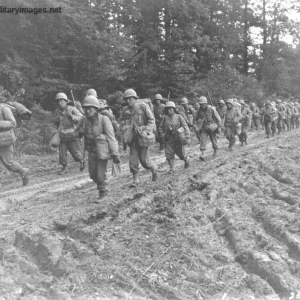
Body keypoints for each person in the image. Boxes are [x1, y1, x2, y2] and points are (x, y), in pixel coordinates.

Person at [75, 96, 120, 199]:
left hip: (103, 152)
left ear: (96, 108)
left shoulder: (104, 119)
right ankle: (102, 185)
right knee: (92, 175)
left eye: (90, 108)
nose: (87, 110)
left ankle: (103, 192)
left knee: (100, 174)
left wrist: (115, 153)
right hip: (91, 151)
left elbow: (111, 137)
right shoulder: (83, 120)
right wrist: (80, 132)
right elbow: (76, 133)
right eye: (85, 108)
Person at [119, 89, 158, 187]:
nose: (128, 101)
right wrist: (125, 127)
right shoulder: (125, 110)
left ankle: (154, 168)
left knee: (145, 161)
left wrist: (145, 130)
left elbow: (151, 120)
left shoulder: (142, 106)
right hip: (132, 139)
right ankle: (136, 180)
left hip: (143, 137)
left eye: (130, 98)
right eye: (126, 99)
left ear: (135, 98)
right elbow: (121, 121)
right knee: (132, 161)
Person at [0, 100, 29, 185]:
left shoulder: (4, 109)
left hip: (5, 140)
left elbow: (13, 123)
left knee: (9, 163)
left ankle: (23, 171)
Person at [53, 92, 82, 175]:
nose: (60, 103)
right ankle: (64, 167)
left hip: (72, 135)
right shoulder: (57, 111)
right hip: (62, 135)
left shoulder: (72, 109)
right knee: (62, 153)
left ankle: (82, 161)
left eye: (61, 101)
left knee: (75, 153)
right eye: (58, 101)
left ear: (66, 101)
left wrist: (72, 116)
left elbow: (81, 118)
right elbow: (57, 123)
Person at [159, 101, 190, 173]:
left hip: (178, 138)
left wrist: (187, 136)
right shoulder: (165, 118)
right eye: (167, 109)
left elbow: (185, 126)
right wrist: (162, 134)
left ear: (173, 109)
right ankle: (172, 168)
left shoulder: (179, 116)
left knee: (181, 155)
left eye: (171, 109)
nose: (169, 110)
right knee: (169, 154)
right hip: (169, 138)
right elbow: (160, 127)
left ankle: (186, 159)